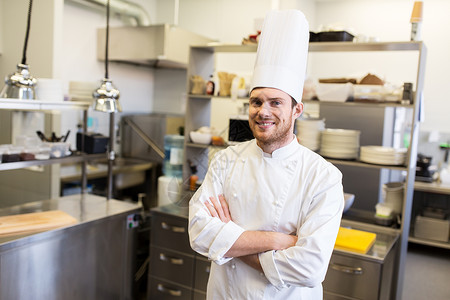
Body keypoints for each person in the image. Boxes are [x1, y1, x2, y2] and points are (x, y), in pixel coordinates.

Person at [188, 9, 344, 299]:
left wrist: (228, 239)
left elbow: (309, 268)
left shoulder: (323, 177)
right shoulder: (225, 161)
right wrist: (277, 240)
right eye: (256, 102)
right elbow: (199, 233)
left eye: (276, 102)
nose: (263, 112)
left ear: (296, 110)